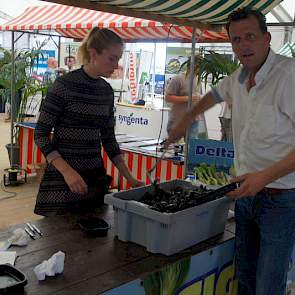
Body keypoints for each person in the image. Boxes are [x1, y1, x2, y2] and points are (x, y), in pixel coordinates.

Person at [165, 8, 295, 295]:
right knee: (245, 278)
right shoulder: (238, 77)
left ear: (267, 38)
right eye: (236, 39)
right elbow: (214, 95)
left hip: (281, 201)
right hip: (246, 197)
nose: (242, 45)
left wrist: (265, 177)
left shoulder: (289, 76)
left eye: (249, 36)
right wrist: (186, 119)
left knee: (267, 286)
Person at [34, 28, 143, 216]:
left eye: (118, 59)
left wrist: (130, 178)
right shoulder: (64, 86)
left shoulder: (106, 91)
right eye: (112, 58)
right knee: (57, 240)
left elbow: (109, 139)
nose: (116, 65)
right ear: (93, 53)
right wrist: (67, 172)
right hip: (62, 182)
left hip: (94, 180)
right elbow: (41, 134)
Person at [165, 56, 202, 139]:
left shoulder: (197, 79)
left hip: (193, 120)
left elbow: (197, 97)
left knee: (191, 148)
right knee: (176, 148)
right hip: (177, 120)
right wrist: (188, 98)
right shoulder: (178, 79)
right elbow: (168, 98)